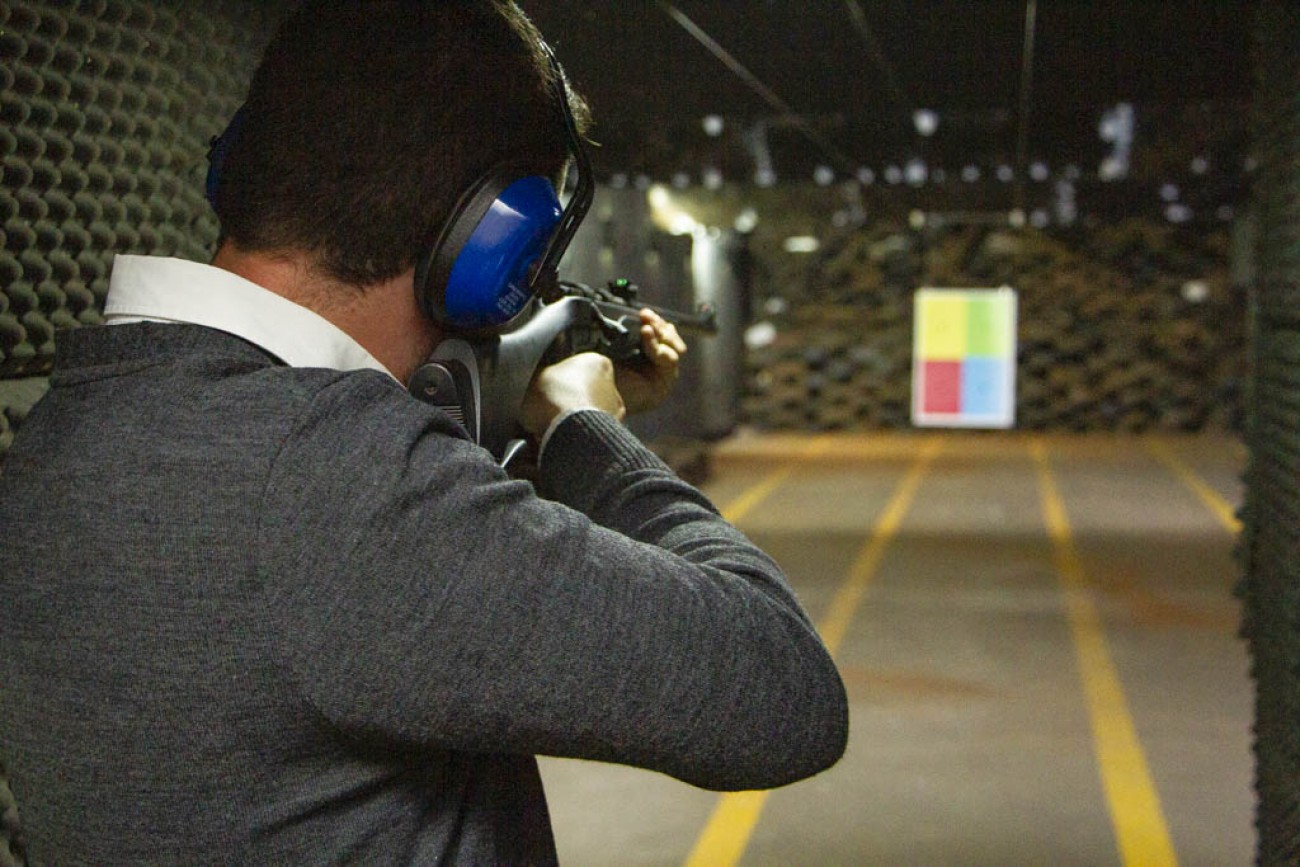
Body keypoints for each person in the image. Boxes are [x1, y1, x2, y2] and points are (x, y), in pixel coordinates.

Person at [0, 1, 848, 863]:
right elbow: (783, 689)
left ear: (241, 164)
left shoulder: (63, 433)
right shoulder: (342, 487)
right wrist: (582, 425)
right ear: (492, 246)